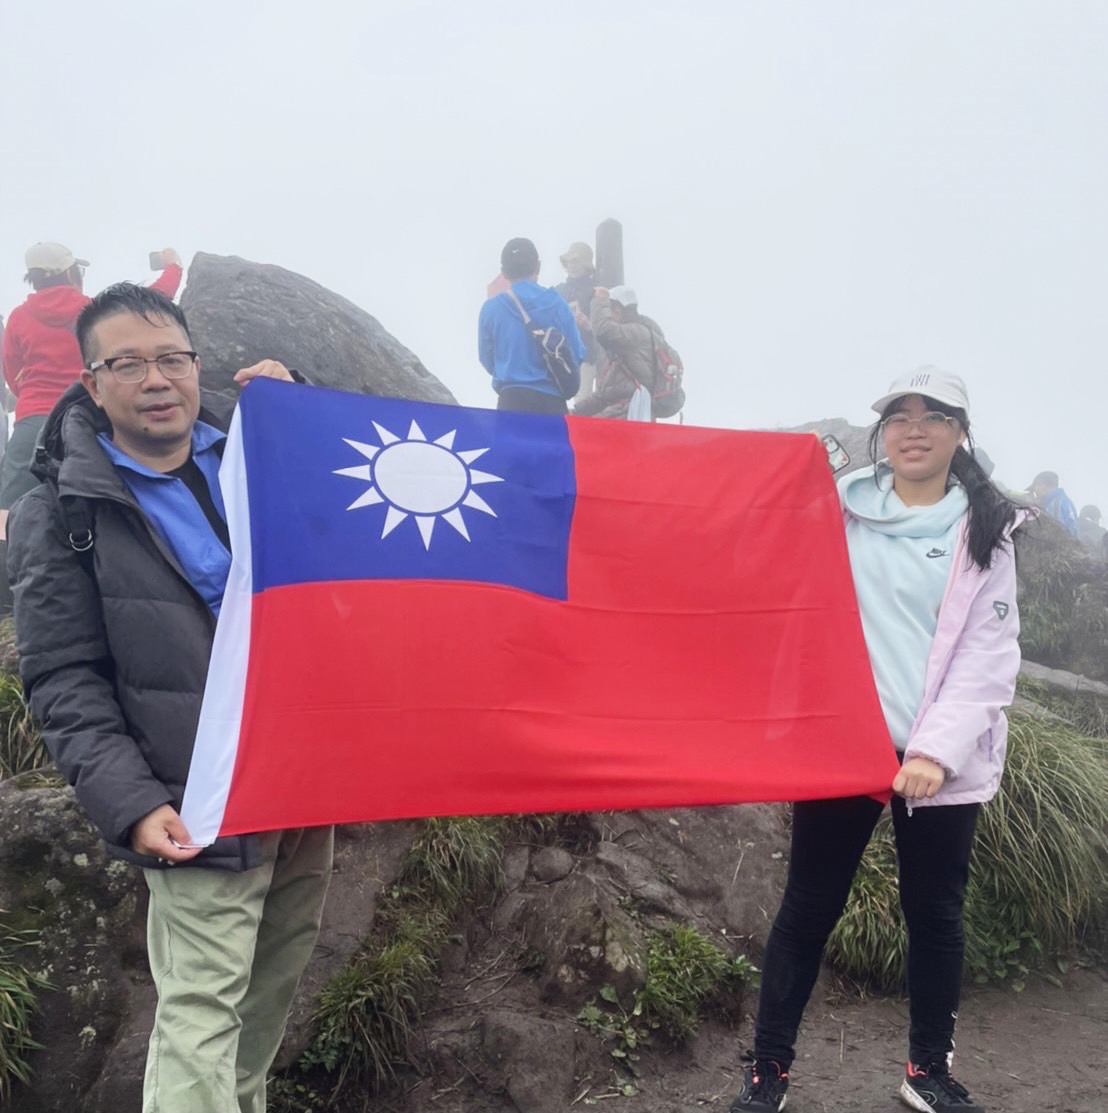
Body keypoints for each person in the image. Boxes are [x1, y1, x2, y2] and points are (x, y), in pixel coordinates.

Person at [7, 283, 333, 1113]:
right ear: (91, 382)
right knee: (200, 1022)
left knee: (260, 1023)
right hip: (193, 802)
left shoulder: (260, 446)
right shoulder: (63, 509)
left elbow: (376, 495)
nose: (156, 379)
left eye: (171, 359)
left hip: (302, 790)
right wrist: (132, 802)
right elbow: (62, 675)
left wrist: (301, 396)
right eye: (128, 363)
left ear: (196, 365)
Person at [731, 368, 1027, 1113]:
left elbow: (988, 658)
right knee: (808, 906)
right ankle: (769, 1070)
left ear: (961, 432)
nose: (914, 428)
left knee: (934, 913)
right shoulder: (839, 510)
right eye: (899, 415)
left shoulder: (984, 529)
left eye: (934, 416)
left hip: (936, 760)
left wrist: (935, 749)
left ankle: (927, 1069)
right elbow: (754, 544)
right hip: (842, 744)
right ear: (881, 434)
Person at [1, 243, 183, 536]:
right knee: (94, 504)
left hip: (31, 421)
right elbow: (149, 305)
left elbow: (12, 372)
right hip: (85, 417)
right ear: (72, 273)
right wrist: (174, 265)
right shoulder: (90, 313)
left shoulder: (20, 317)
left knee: (9, 512)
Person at [478, 237, 585, 414]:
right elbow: (576, 353)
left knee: (511, 444)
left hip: (510, 402)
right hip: (552, 404)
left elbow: (486, 358)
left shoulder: (491, 308)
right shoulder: (557, 303)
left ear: (504, 273)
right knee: (552, 443)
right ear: (538, 267)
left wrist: (509, 367)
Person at [574, 285, 668, 420]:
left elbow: (603, 332)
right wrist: (576, 411)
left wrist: (600, 299)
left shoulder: (638, 333)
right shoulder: (630, 342)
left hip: (628, 416)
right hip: (625, 414)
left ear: (617, 311)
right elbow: (605, 395)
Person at [556, 241, 601, 399]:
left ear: (586, 264)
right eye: (569, 262)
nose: (572, 265)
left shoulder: (599, 289)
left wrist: (589, 326)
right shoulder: (558, 292)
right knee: (582, 406)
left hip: (598, 356)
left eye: (576, 261)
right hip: (573, 357)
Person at [1027, 470, 1078, 536]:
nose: (1035, 493)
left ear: (1042, 486)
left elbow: (1055, 533)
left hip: (1061, 545)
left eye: (1035, 489)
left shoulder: (1056, 504)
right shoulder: (1062, 501)